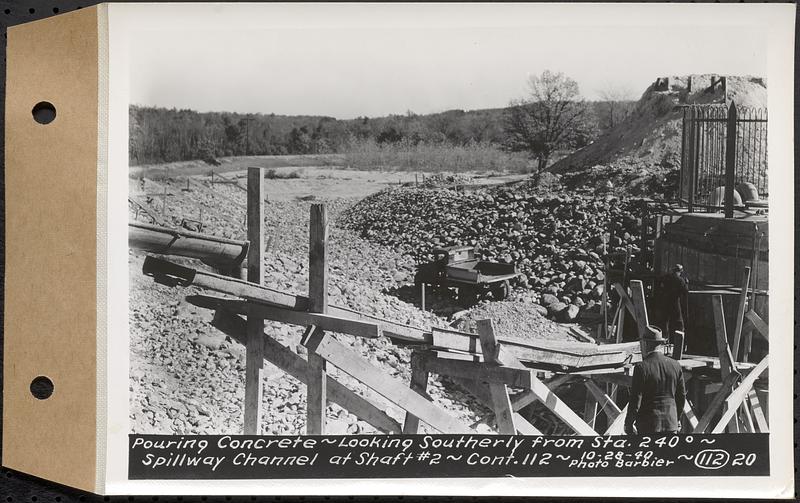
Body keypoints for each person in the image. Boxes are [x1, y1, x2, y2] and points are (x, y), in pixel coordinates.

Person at [625, 325, 686, 435]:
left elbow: (635, 400)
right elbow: (681, 397)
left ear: (646, 344)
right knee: (667, 453)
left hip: (649, 426)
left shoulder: (641, 367)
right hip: (670, 424)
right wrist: (676, 419)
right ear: (661, 344)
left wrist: (628, 424)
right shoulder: (675, 365)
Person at [658, 264, 689, 344]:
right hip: (674, 302)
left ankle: (664, 340)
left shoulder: (666, 277)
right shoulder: (680, 280)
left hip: (665, 301)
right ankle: (679, 342)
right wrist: (686, 283)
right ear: (680, 272)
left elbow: (661, 285)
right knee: (679, 322)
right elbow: (685, 291)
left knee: (665, 321)